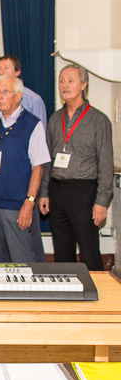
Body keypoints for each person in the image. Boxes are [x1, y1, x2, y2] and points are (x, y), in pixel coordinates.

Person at [38, 64, 113, 271]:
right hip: (57, 189)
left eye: (70, 81)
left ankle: (96, 289)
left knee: (89, 251)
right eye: (61, 81)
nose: (64, 85)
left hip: (83, 191)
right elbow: (48, 160)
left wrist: (101, 201)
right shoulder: (55, 119)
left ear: (83, 85)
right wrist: (44, 193)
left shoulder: (99, 120)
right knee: (62, 251)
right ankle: (67, 288)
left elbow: (106, 164)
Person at [0, 75, 49, 263]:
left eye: (5, 92)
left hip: (15, 205)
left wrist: (29, 202)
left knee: (21, 260)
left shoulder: (33, 125)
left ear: (18, 96)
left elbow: (38, 167)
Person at [0, 55, 47, 124]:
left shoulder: (33, 101)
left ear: (17, 72)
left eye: (6, 68)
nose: (1, 72)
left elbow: (39, 128)